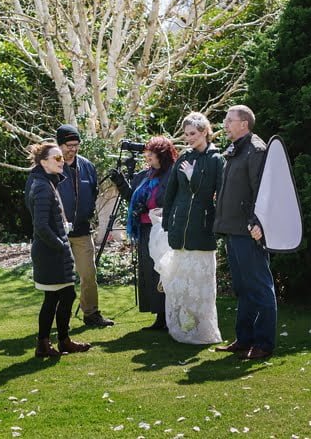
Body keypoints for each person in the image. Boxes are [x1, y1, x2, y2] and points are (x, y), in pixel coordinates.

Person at [213, 105, 275, 360]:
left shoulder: (256, 150)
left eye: (230, 120)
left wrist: (257, 223)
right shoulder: (235, 150)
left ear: (244, 124)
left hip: (249, 232)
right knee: (243, 288)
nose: (225, 124)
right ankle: (244, 339)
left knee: (260, 287)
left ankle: (264, 343)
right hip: (233, 229)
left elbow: (262, 191)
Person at [159, 112, 225, 344]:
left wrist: (193, 176)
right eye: (186, 134)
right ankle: (179, 327)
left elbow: (214, 194)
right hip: (180, 229)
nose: (188, 138)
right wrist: (168, 220)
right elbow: (171, 192)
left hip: (202, 230)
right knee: (179, 285)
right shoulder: (183, 157)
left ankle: (201, 330)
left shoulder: (217, 159)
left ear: (205, 131)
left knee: (200, 287)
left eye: (193, 133)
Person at [25, 142, 93, 357]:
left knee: (62, 296)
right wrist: (61, 245)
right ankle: (51, 343)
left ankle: (57, 342)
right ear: (43, 162)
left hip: (52, 250)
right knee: (58, 297)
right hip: (50, 252)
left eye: (61, 157)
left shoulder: (46, 182)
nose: (61, 161)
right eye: (56, 158)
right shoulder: (42, 186)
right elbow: (40, 226)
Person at [111, 136, 177, 331]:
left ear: (162, 155)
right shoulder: (145, 175)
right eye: (147, 154)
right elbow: (132, 197)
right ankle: (159, 316)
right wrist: (120, 182)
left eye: (151, 154)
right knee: (149, 271)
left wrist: (158, 210)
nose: (147, 157)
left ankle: (169, 315)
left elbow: (176, 199)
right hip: (146, 229)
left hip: (164, 229)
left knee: (163, 271)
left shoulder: (172, 174)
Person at [55, 124, 115, 327]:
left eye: (76, 145)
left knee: (88, 275)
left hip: (82, 230)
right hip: (58, 232)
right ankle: (59, 318)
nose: (73, 149)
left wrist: (88, 214)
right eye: (68, 145)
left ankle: (91, 314)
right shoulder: (51, 166)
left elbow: (93, 193)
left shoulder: (87, 166)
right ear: (59, 144)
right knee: (60, 278)